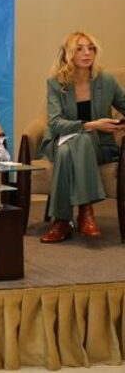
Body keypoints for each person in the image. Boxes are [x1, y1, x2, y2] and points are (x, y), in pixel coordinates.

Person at [38, 32, 125, 243]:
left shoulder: (107, 81)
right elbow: (55, 123)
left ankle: (61, 221)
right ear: (68, 54)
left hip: (99, 147)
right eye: (79, 49)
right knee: (77, 141)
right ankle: (86, 212)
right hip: (60, 142)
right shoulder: (56, 83)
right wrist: (91, 125)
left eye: (91, 48)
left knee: (74, 146)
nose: (87, 53)